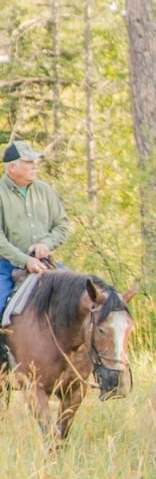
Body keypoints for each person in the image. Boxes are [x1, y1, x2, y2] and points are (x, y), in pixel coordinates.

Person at [0, 139, 71, 368]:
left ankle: (74, 363)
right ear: (12, 168)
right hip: (7, 266)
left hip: (45, 263)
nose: (34, 165)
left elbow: (62, 225)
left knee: (79, 298)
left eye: (34, 161)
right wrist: (25, 260)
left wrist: (45, 244)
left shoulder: (44, 190)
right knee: (0, 308)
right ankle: (5, 366)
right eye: (28, 162)